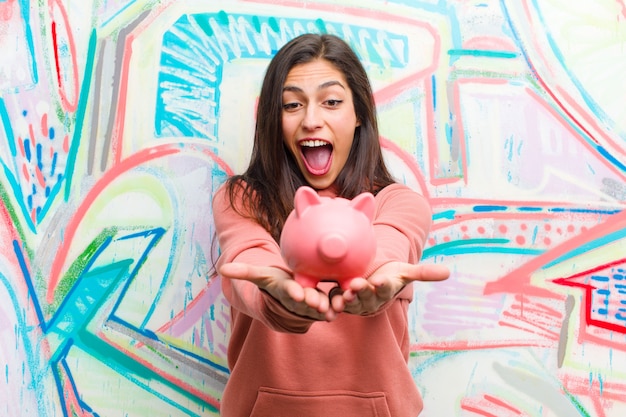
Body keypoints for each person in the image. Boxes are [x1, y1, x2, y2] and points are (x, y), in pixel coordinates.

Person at [212, 33, 450, 417]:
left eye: (332, 102)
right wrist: (277, 301)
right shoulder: (242, 199)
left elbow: (387, 246)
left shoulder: (398, 202)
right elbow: (250, 258)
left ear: (358, 115)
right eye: (292, 105)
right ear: (275, 119)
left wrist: (377, 280)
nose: (310, 120)